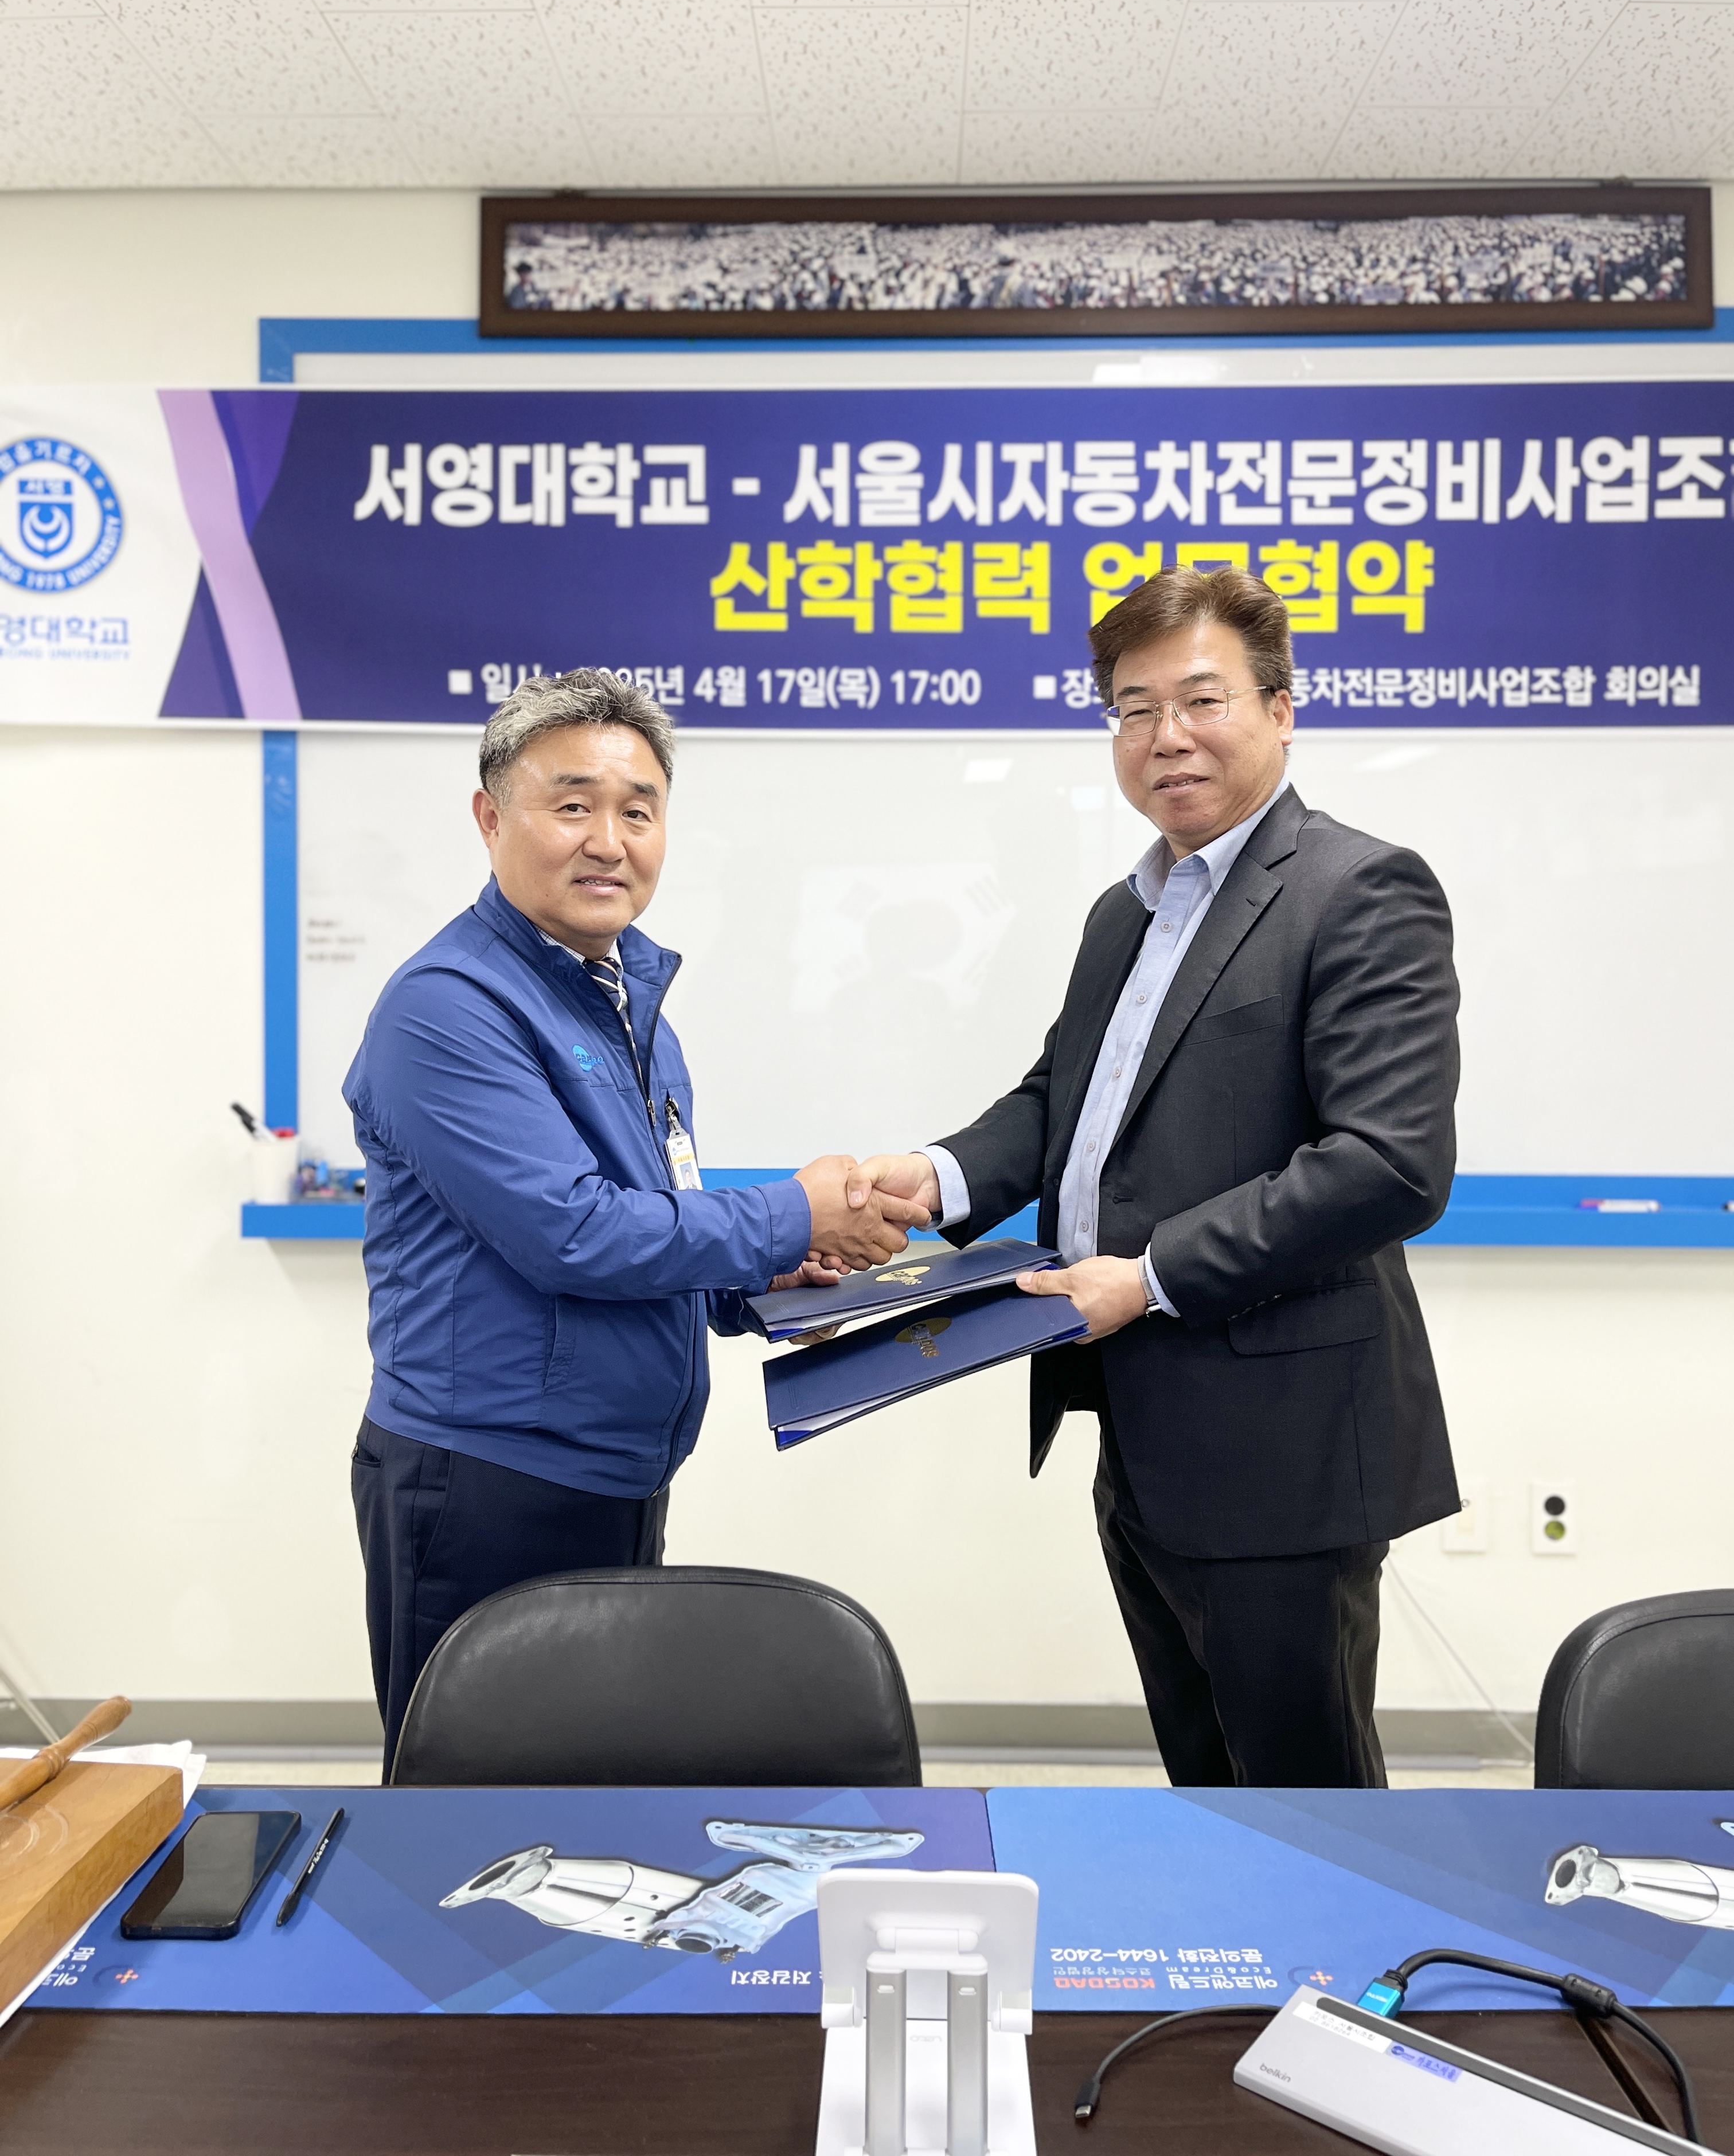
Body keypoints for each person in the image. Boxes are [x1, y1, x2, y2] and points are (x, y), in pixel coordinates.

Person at [850, 566, 1460, 1788]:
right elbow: (1063, 1104)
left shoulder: (1359, 890)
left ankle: (1327, 1933)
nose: (1165, 736)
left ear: (1280, 710)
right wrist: (931, 1178)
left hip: (1284, 1447)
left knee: (1307, 1803)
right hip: (1141, 1431)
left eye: (1200, 700)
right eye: (1134, 709)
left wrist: (1148, 1277)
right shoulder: (1123, 912)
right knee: (1204, 1785)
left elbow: (1389, 1164)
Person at [344, 667, 925, 1762]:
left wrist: (762, 1281)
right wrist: (792, 1214)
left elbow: (654, 1217)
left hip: (616, 1471)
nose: (608, 842)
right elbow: (572, 1235)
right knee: (471, 1808)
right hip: (486, 1482)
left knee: (594, 1784)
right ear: (490, 819)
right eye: (572, 806)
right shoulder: (445, 1009)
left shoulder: (624, 1002)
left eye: (638, 811)